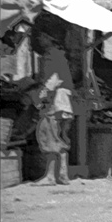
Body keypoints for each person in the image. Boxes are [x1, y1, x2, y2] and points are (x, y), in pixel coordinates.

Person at [32, 33, 75, 186]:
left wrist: (41, 99)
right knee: (60, 138)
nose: (39, 39)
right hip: (65, 102)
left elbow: (52, 80)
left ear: (50, 38)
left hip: (55, 100)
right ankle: (63, 174)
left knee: (48, 134)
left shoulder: (51, 56)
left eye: (42, 37)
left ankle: (50, 176)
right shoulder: (61, 56)